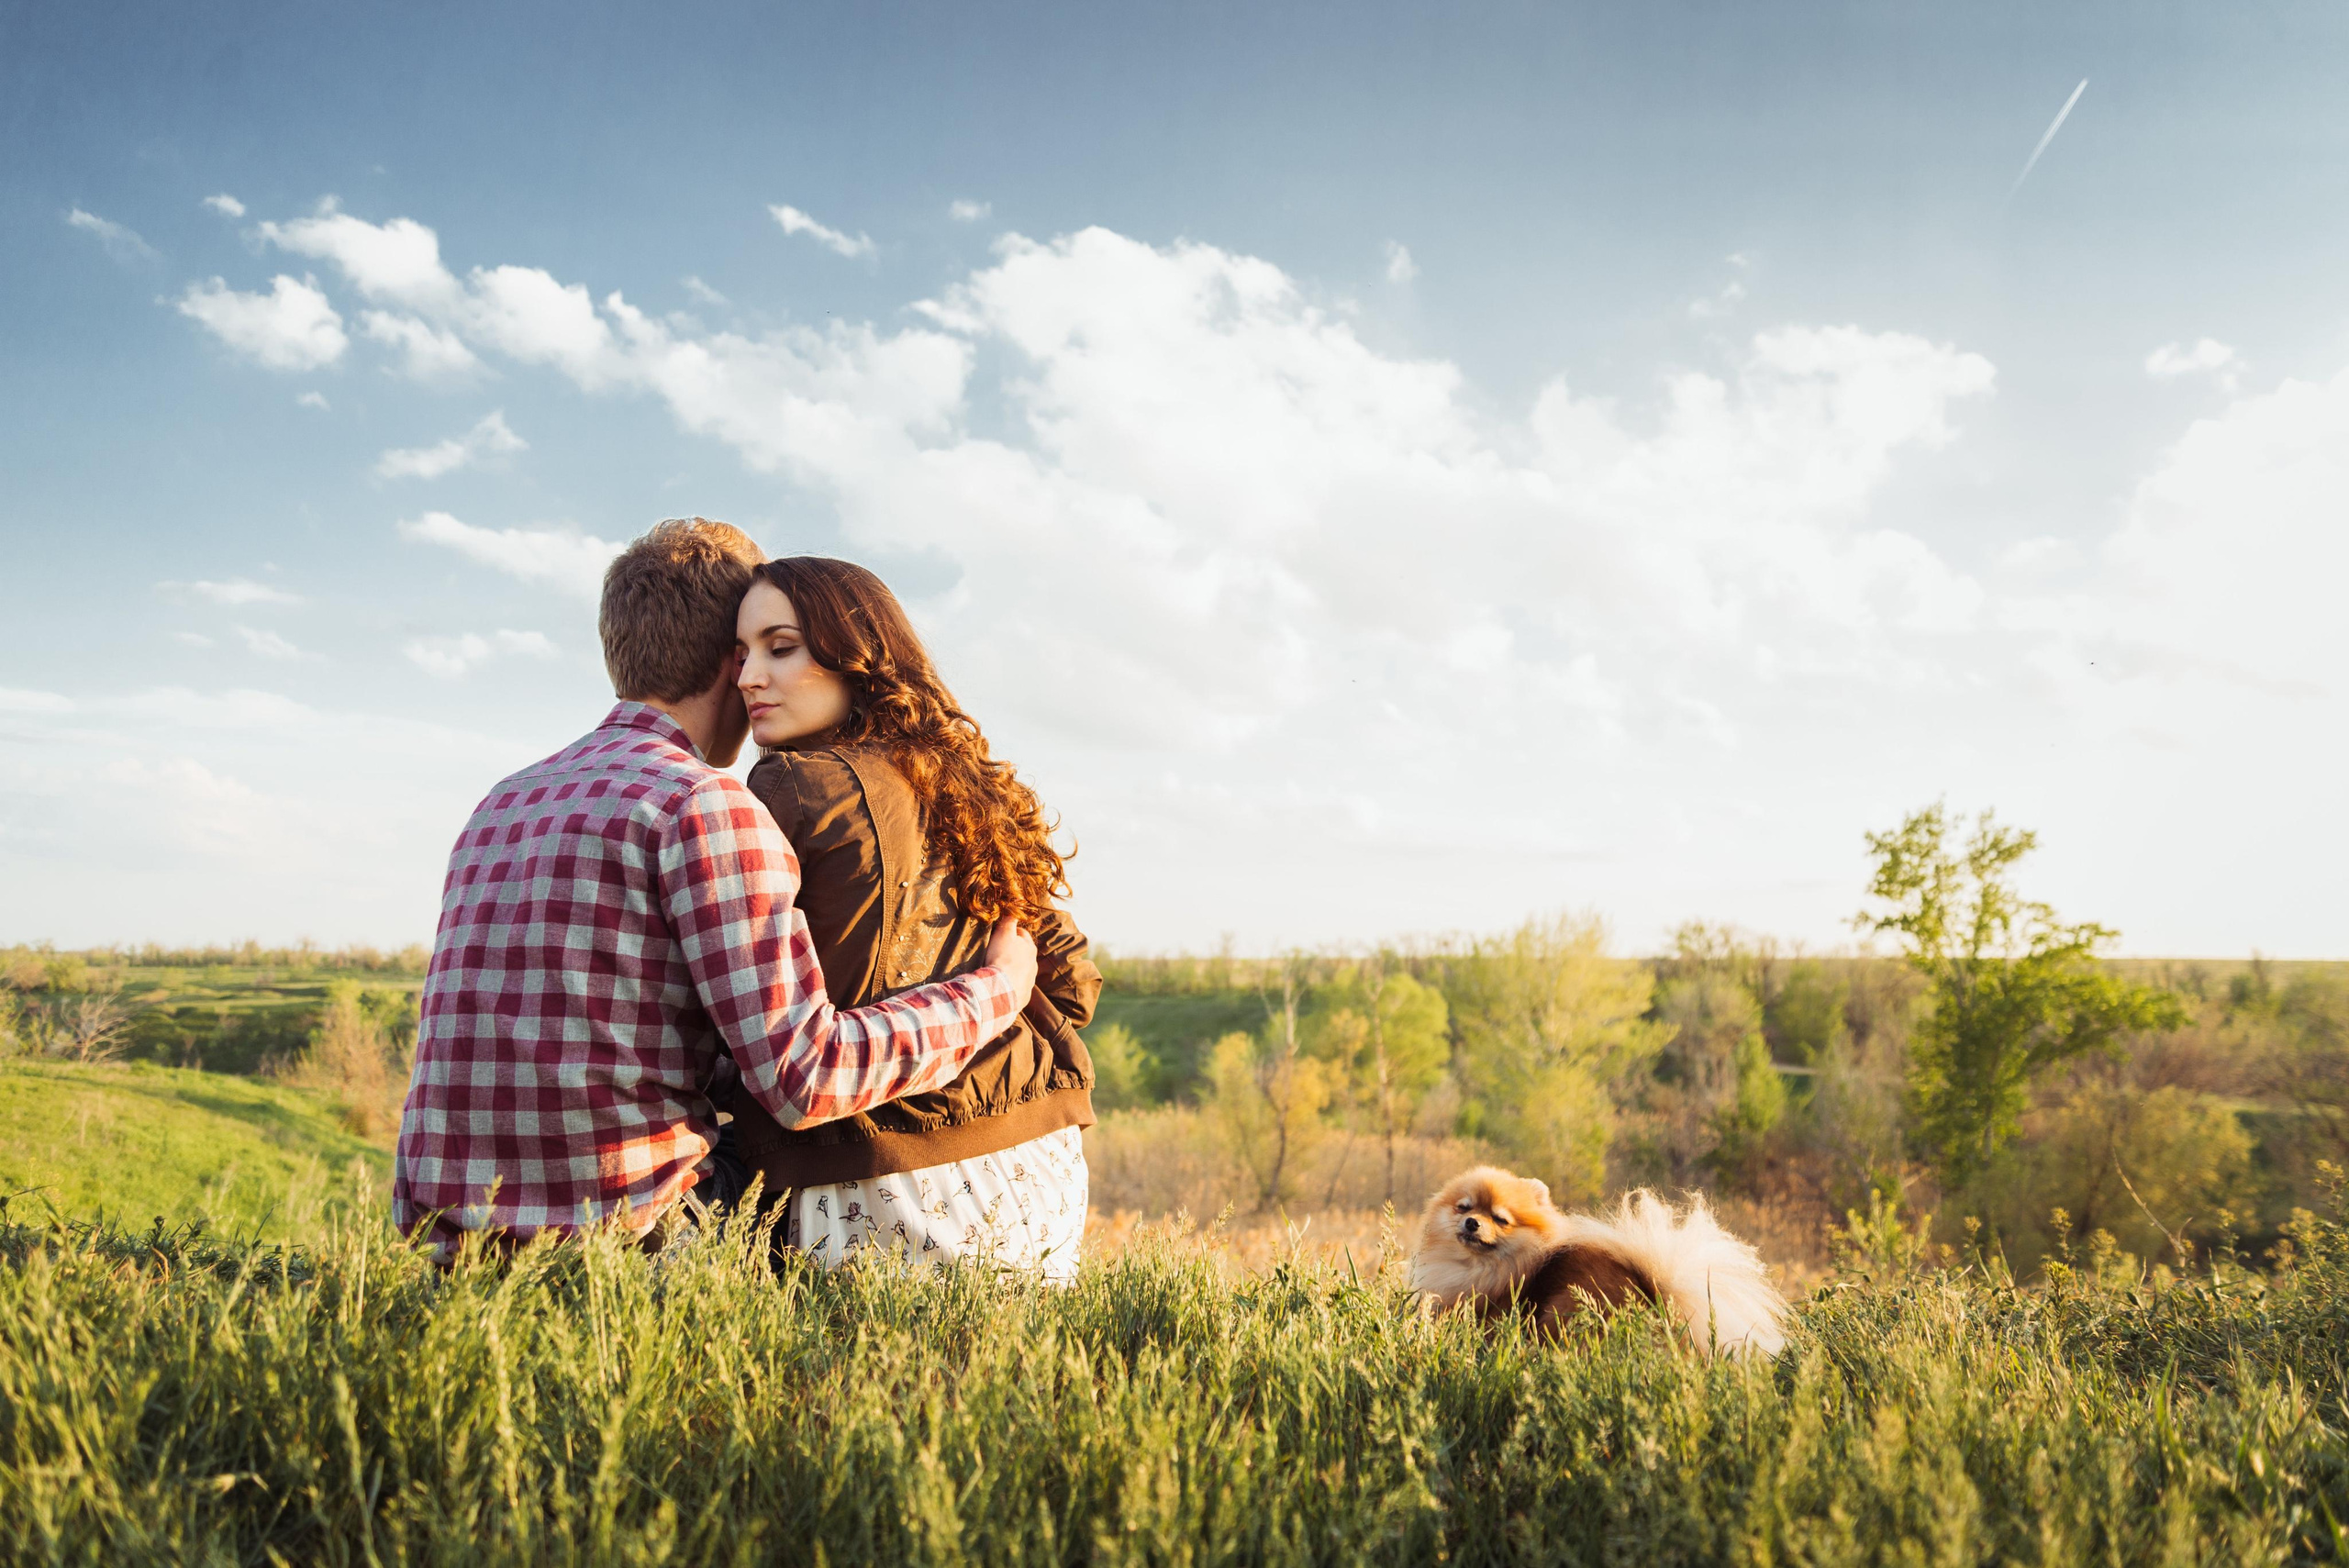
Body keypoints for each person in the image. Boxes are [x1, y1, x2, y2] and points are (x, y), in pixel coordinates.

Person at [391, 518, 1038, 1256]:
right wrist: (994, 991)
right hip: (625, 1245)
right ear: (730, 659)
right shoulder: (702, 804)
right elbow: (807, 1075)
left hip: (447, 1248)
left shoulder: (502, 800)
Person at [725, 555, 1100, 1281]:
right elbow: (1075, 983)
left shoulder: (790, 784)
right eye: (741, 655)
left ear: (854, 655)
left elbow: (751, 1033)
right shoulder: (967, 782)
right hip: (1040, 1175)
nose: (748, 677)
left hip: (887, 1185)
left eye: (780, 647)